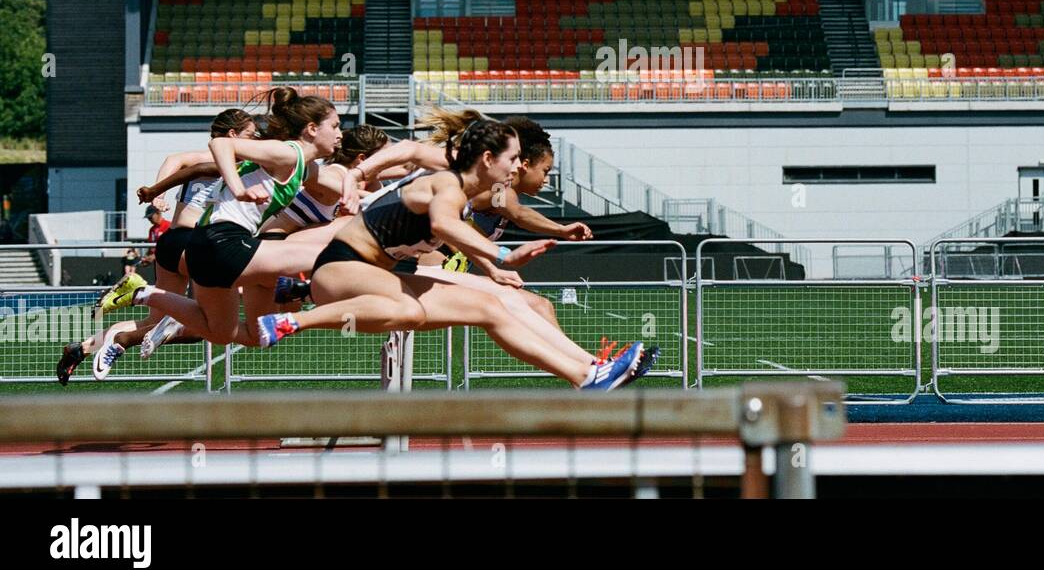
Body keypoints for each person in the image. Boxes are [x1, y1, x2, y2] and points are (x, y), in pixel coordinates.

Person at [255, 109, 647, 390]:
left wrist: (492, 271)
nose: (516, 168)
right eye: (512, 160)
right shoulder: (447, 184)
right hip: (341, 270)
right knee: (409, 311)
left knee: (489, 308)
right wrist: (501, 257)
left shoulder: (471, 193)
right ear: (489, 159)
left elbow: (458, 231)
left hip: (380, 273)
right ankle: (295, 316)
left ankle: (587, 376)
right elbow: (444, 224)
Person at [97, 87, 358, 348]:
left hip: (210, 246)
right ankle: (306, 302)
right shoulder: (288, 153)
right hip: (224, 241)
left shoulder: (305, 166)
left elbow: (336, 179)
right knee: (333, 257)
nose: (340, 134)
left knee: (222, 334)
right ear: (312, 129)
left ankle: (143, 294)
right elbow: (220, 143)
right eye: (335, 126)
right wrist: (238, 188)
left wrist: (356, 191)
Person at [56, 110, 256, 384]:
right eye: (250, 135)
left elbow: (176, 160)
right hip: (194, 244)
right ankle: (139, 291)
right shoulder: (216, 159)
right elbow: (175, 161)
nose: (255, 140)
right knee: (203, 326)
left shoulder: (240, 165)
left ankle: (82, 348)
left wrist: (158, 191)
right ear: (233, 135)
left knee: (154, 323)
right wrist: (158, 192)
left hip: (172, 245)